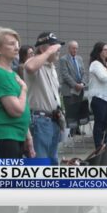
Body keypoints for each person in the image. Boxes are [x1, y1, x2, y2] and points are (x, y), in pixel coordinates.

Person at [0, 27, 35, 159]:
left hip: (16, 134)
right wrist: (24, 90)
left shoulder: (10, 72)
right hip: (5, 136)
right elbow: (16, 110)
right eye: (11, 44)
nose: (17, 48)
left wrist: (27, 135)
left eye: (17, 44)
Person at [24, 31, 64, 165]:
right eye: (53, 46)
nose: (57, 49)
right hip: (40, 121)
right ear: (42, 48)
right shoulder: (34, 62)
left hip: (53, 120)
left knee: (52, 162)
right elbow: (29, 66)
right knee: (40, 164)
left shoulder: (51, 66)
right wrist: (47, 53)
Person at [88, 41, 107, 149]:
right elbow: (104, 77)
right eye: (104, 50)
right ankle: (98, 147)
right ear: (99, 52)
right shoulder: (95, 64)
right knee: (99, 124)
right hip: (99, 98)